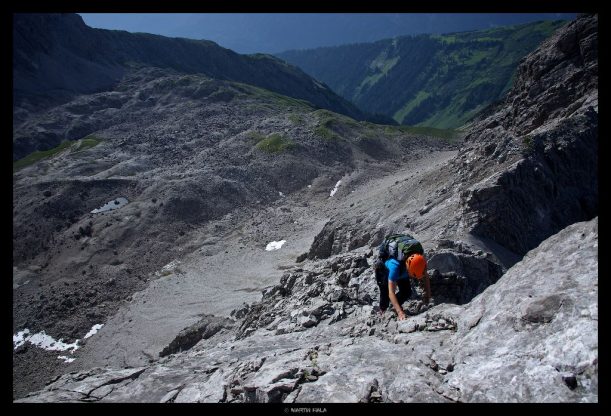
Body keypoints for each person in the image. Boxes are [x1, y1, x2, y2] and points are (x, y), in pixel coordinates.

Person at [376, 249, 431, 320]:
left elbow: (425, 277)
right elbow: (391, 292)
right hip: (383, 270)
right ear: (409, 270)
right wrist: (400, 312)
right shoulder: (394, 267)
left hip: (402, 272)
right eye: (413, 276)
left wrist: (428, 296)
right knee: (385, 294)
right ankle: (383, 311)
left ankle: (394, 306)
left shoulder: (420, 262)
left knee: (406, 292)